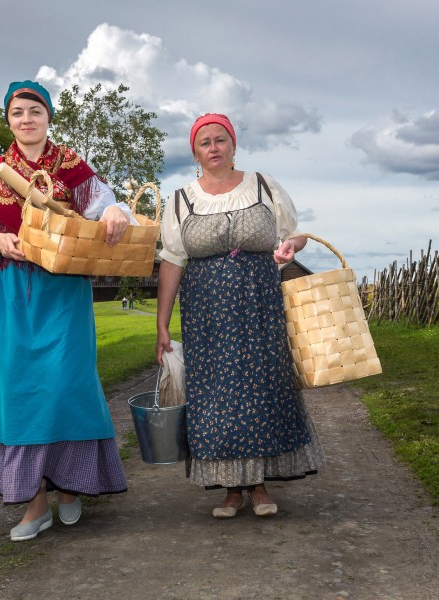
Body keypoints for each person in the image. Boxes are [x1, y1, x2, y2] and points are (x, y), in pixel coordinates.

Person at [0, 80, 130, 541]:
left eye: (35, 111)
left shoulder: (71, 166)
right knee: (22, 392)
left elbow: (107, 208)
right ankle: (35, 506)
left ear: (48, 117)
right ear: (8, 121)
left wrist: (114, 212)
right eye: (17, 113)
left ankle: (71, 487)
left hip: (64, 290)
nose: (26, 120)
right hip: (14, 294)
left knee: (66, 385)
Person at [155, 113, 324, 518]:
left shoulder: (263, 185)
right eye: (205, 142)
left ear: (233, 146)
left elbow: (295, 233)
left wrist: (291, 246)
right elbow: (172, 261)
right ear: (195, 153)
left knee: (262, 389)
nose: (213, 147)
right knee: (215, 396)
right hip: (206, 314)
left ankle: (259, 486)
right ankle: (231, 489)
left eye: (220, 140)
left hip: (260, 306)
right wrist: (161, 324)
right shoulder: (180, 200)